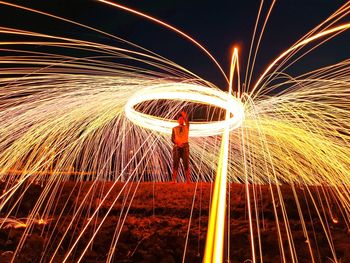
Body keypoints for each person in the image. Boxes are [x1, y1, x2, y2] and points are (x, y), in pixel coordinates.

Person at [171, 111, 190, 183]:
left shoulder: (186, 127)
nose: (181, 120)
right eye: (180, 119)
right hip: (177, 148)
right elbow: (172, 139)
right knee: (175, 164)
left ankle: (188, 180)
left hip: (185, 147)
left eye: (182, 119)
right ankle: (174, 180)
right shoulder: (174, 128)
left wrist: (185, 116)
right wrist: (177, 143)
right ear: (178, 121)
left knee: (186, 164)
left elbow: (187, 122)